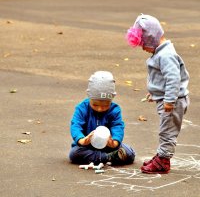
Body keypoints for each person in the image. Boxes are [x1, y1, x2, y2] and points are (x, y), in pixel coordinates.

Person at [126, 14, 190, 174]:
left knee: (167, 132)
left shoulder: (166, 55)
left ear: (151, 39)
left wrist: (169, 100)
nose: (142, 48)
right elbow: (161, 79)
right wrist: (154, 93)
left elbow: (173, 79)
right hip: (168, 99)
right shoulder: (161, 52)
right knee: (165, 130)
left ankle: (163, 161)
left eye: (143, 44)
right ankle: (162, 155)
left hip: (173, 102)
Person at [69, 71, 135, 165]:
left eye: (105, 105)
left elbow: (118, 126)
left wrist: (115, 142)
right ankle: (108, 157)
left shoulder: (115, 110)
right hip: (87, 146)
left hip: (108, 146)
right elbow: (75, 125)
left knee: (129, 152)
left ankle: (105, 156)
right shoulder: (82, 108)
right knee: (74, 154)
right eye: (95, 105)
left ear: (111, 100)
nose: (100, 109)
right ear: (90, 98)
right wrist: (82, 140)